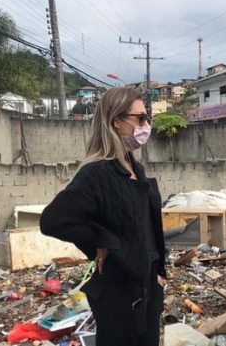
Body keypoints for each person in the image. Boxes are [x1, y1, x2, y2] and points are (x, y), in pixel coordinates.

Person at [40, 86, 166, 346]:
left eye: (147, 117)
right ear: (116, 121)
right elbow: (53, 220)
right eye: (139, 118)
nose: (146, 125)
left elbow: (146, 227)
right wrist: (101, 239)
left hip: (149, 284)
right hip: (118, 291)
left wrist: (158, 272)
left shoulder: (135, 167)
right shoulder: (97, 173)